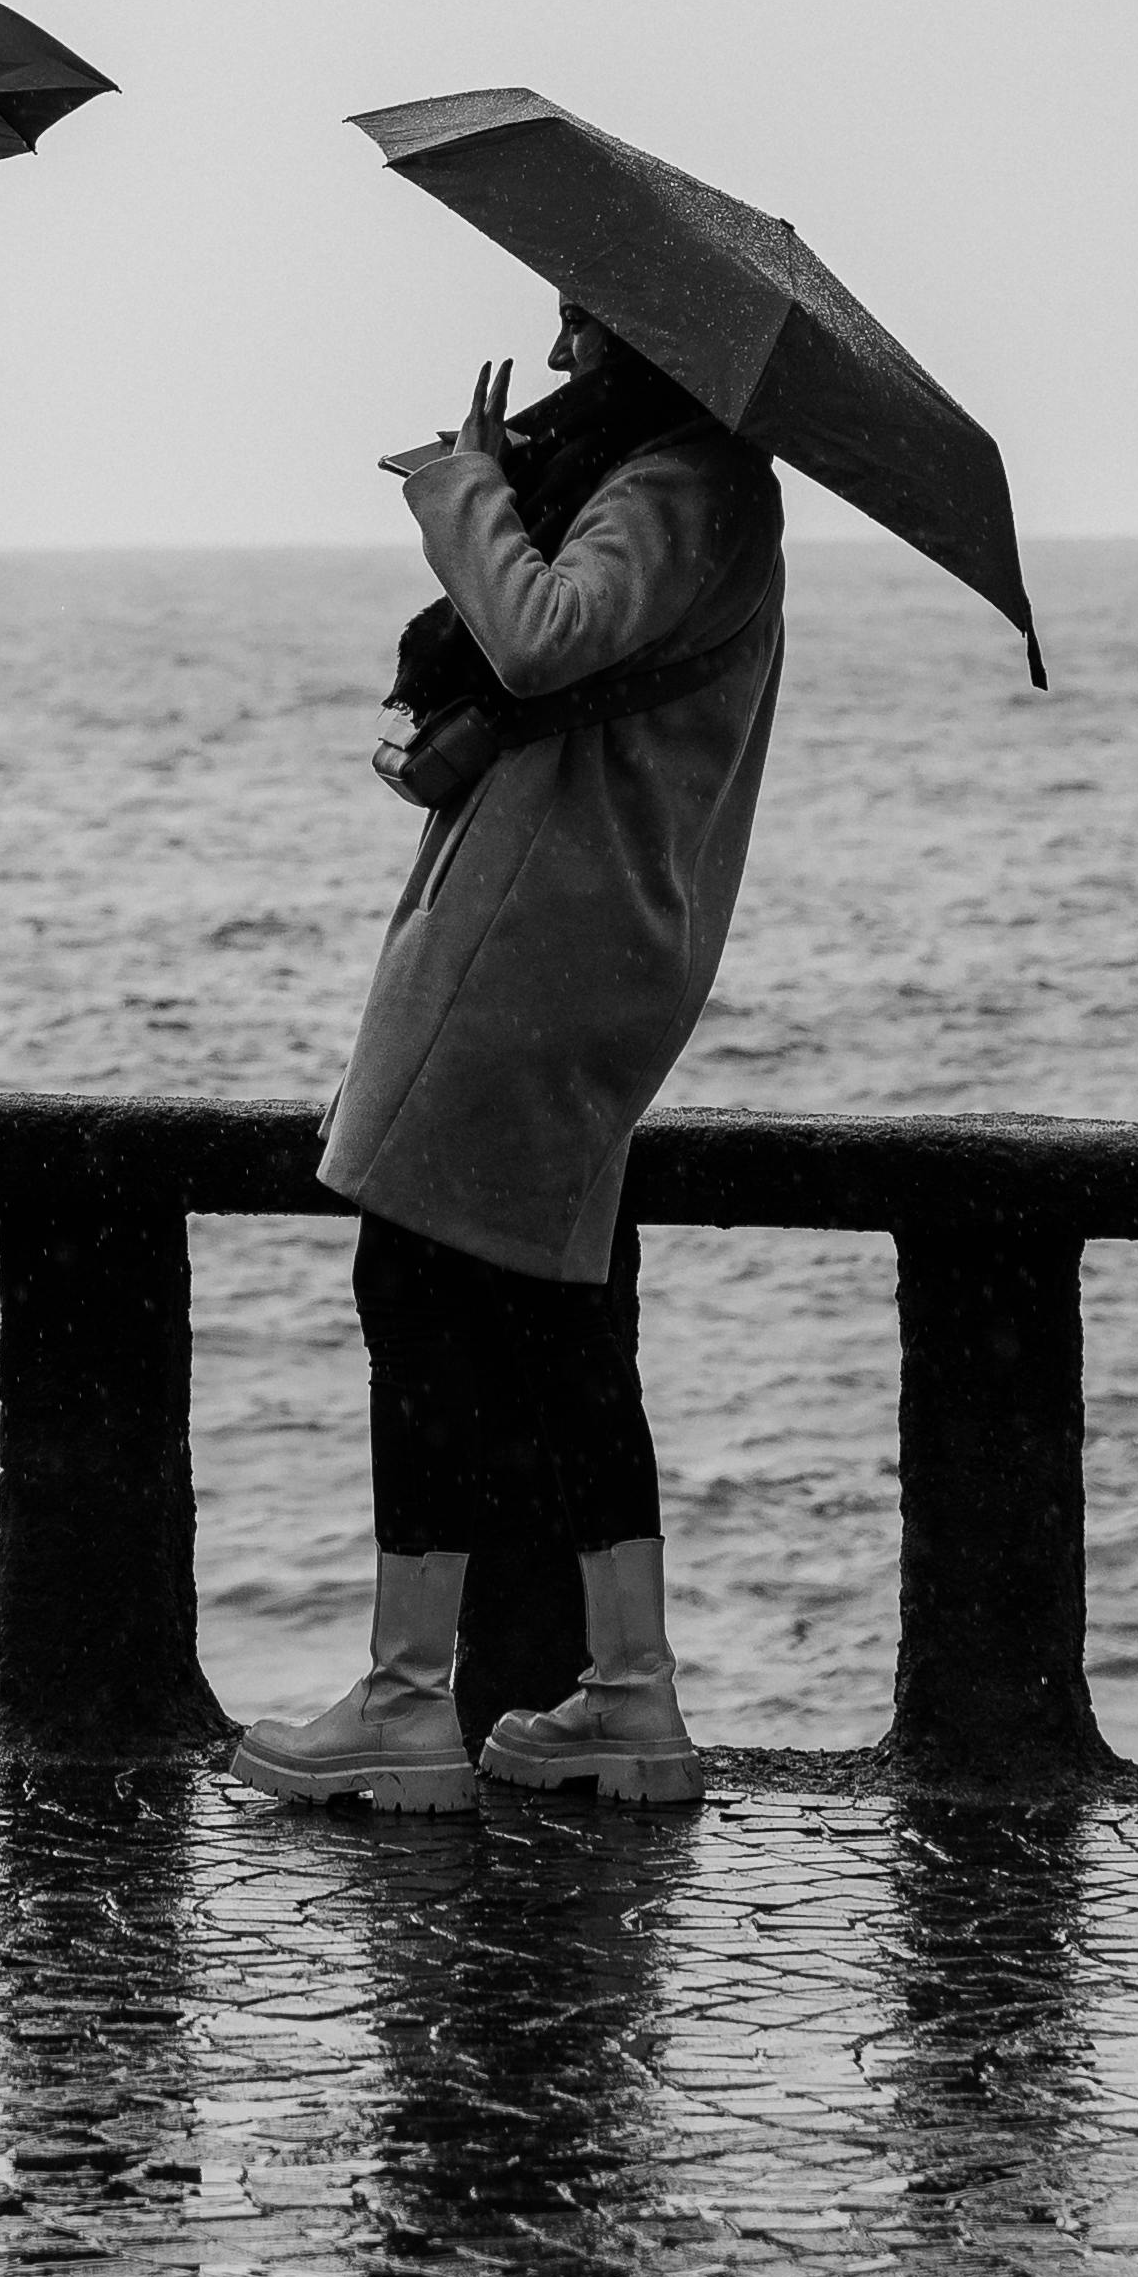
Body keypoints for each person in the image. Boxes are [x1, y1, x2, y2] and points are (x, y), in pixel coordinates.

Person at [229, 300, 785, 1821]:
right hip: (592, 942)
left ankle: (413, 1702)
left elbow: (546, 634)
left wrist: (464, 488)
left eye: (578, 315)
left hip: (541, 944)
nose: (554, 348)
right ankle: (629, 1693)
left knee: (416, 1296)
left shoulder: (681, 484)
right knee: (556, 1327)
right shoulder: (693, 482)